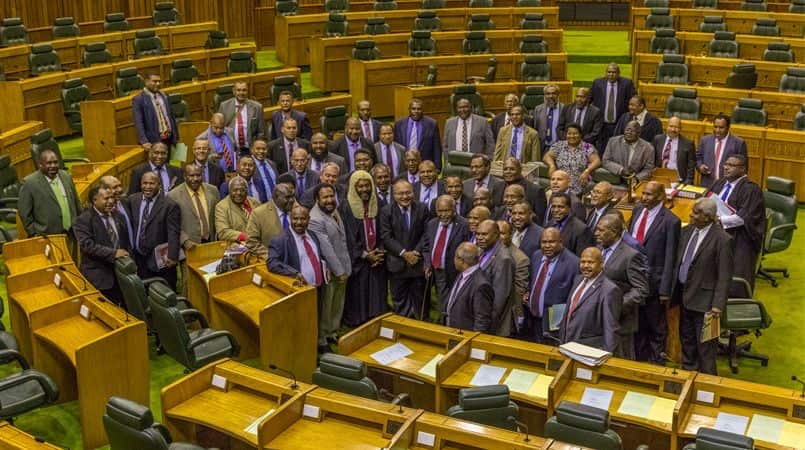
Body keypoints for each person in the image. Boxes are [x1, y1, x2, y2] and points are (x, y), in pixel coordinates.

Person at [675, 197, 732, 374]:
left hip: (707, 305)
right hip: (684, 298)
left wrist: (717, 306)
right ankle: (687, 376)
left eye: (696, 212)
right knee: (687, 342)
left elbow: (724, 275)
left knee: (706, 350)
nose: (691, 215)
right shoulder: (687, 231)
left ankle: (707, 388)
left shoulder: (722, 240)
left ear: (707, 217)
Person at [628, 181, 680, 364]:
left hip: (655, 283)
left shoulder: (671, 221)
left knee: (655, 327)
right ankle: (638, 361)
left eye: (649, 195)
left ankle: (656, 364)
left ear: (660, 197)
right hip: (633, 279)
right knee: (637, 325)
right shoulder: (636, 211)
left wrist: (665, 290)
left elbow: (670, 257)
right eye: (643, 193)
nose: (644, 198)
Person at [595, 213, 649, 360]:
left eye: (601, 230)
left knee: (620, 363)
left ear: (613, 232)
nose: (596, 233)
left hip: (621, 322)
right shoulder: (597, 250)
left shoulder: (631, 255)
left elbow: (641, 290)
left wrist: (617, 305)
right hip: (596, 319)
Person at [708, 155, 765, 289]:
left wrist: (719, 220)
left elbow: (743, 218)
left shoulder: (751, 189)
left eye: (732, 165)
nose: (726, 167)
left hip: (741, 235)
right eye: (726, 164)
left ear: (742, 169)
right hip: (718, 231)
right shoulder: (719, 183)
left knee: (735, 276)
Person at [341, 171, 388, 327]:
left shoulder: (379, 204)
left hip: (377, 258)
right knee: (358, 292)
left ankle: (375, 319)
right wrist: (364, 254)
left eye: (367, 185)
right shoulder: (346, 206)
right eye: (360, 186)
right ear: (354, 187)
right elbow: (347, 236)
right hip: (358, 259)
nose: (364, 189)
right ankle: (358, 322)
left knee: (376, 290)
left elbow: (385, 229)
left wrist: (379, 251)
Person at [309, 183, 351, 351]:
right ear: (317, 199)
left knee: (338, 303)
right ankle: (322, 339)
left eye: (331, 196)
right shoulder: (315, 218)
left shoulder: (333, 210)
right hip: (329, 270)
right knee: (327, 305)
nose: (329, 200)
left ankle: (333, 331)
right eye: (325, 197)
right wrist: (339, 271)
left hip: (342, 266)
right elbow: (326, 249)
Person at [380, 179, 428, 318]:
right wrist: (404, 254)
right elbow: (386, 236)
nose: (405, 197)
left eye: (408, 193)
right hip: (397, 264)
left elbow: (426, 233)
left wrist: (416, 252)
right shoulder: (386, 211)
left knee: (420, 301)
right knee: (399, 301)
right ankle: (402, 327)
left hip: (417, 263)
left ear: (413, 193)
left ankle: (420, 328)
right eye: (400, 194)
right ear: (394, 195)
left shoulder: (422, 208)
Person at [74, 186, 130, 305]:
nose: (111, 201)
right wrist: (114, 253)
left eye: (112, 197)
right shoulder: (84, 220)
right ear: (95, 200)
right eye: (106, 198)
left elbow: (125, 243)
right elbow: (88, 246)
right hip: (99, 278)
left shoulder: (119, 216)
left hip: (121, 275)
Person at [169, 165, 220, 292]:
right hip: (190, 247)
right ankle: (191, 309)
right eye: (191, 176)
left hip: (211, 244)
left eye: (198, 175)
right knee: (191, 285)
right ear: (185, 176)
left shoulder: (213, 190)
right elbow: (172, 224)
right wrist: (184, 240)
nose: (195, 179)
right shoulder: (173, 195)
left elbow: (217, 215)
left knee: (212, 280)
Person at [560, 247, 621, 353]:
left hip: (589, 350)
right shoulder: (577, 280)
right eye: (583, 262)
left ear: (601, 264)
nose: (586, 266)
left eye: (590, 262)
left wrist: (606, 355)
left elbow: (610, 328)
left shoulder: (609, 290)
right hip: (567, 345)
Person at [128, 171, 181, 290]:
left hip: (160, 260)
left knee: (163, 292)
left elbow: (174, 232)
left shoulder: (170, 205)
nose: (147, 187)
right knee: (142, 291)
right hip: (138, 257)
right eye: (144, 183)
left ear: (159, 185)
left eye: (152, 183)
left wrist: (172, 256)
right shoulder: (133, 200)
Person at [424, 195, 471, 318]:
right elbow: (427, 246)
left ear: (454, 209)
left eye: (447, 211)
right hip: (435, 270)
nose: (443, 214)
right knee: (440, 300)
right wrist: (428, 264)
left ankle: (447, 323)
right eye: (440, 211)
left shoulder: (464, 225)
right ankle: (441, 321)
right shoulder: (432, 224)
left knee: (452, 302)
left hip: (454, 272)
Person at [19, 150, 82, 240]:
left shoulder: (65, 176)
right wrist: (34, 233)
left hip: (72, 233)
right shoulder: (29, 183)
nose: (53, 166)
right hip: (48, 236)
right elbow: (24, 213)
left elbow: (76, 203)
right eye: (49, 163)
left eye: (55, 162)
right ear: (40, 165)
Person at [476, 220, 517, 336]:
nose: (479, 238)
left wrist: (484, 323)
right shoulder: (481, 251)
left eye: (484, 234)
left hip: (493, 324)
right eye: (478, 234)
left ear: (496, 235)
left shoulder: (504, 259)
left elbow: (500, 298)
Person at [444, 242, 494, 332]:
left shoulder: (481, 285)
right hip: (452, 331)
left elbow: (482, 321)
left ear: (461, 261)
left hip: (465, 338)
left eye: (455, 256)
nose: (453, 260)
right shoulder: (462, 273)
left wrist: (474, 343)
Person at [590, 63, 636, 152]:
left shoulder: (627, 84)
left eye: (614, 72)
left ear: (618, 73)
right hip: (602, 123)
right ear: (606, 73)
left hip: (619, 123)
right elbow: (589, 99)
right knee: (601, 148)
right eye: (609, 72)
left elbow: (634, 99)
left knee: (617, 148)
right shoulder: (597, 83)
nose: (611, 74)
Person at [544, 123, 601, 195]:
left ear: (580, 135)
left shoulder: (586, 147)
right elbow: (547, 156)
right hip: (560, 188)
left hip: (579, 188)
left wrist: (587, 171)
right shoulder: (559, 145)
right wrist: (552, 165)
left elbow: (597, 161)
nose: (572, 136)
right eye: (569, 133)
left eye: (575, 133)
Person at [696, 113, 748, 188]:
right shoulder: (705, 140)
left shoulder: (738, 143)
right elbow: (698, 157)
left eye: (721, 127)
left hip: (729, 186)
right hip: (707, 185)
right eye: (715, 127)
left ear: (728, 127)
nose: (717, 130)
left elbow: (743, 168)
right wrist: (700, 166)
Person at [246, 183, 295, 259]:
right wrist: (271, 257)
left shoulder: (296, 210)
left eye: (293, 196)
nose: (292, 200)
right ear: (276, 198)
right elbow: (252, 242)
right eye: (287, 197)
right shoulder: (259, 214)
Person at [132, 71, 177, 150]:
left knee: (174, 162)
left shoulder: (164, 95)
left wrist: (176, 136)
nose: (158, 84)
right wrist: (144, 141)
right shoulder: (139, 99)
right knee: (158, 161)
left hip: (170, 139)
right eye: (155, 81)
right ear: (146, 82)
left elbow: (171, 116)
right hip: (154, 141)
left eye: (159, 81)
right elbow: (139, 122)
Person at [394, 98, 442, 171]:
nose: (416, 111)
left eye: (419, 109)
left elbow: (436, 148)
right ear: (409, 110)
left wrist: (438, 167)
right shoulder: (399, 124)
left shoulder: (432, 124)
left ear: (422, 110)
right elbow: (396, 146)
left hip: (424, 165)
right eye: (413, 109)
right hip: (405, 165)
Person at [497, 220, 530, 328]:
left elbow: (518, 292)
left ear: (511, 235)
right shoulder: (484, 252)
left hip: (505, 313)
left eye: (502, 233)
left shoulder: (520, 259)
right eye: (495, 233)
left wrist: (518, 316)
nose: (498, 237)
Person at [218, 81, 265, 153]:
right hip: (231, 148)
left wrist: (256, 148)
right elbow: (218, 128)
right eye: (238, 90)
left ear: (247, 91)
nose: (241, 93)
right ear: (234, 91)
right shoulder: (224, 106)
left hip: (250, 149)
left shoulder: (257, 107)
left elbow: (261, 132)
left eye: (244, 90)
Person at [501, 157, 547, 223]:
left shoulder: (536, 191)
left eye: (512, 169)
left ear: (520, 170)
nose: (508, 172)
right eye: (505, 169)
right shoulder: (498, 186)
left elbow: (540, 220)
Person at [215, 176, 259, 243]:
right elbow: (223, 232)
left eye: (242, 190)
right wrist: (246, 236)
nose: (239, 193)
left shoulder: (256, 203)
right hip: (236, 246)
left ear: (247, 191)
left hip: (258, 243)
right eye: (235, 190)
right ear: (229, 191)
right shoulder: (221, 207)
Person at [652, 116, 695, 184]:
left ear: (680, 129)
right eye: (671, 126)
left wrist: (687, 183)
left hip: (678, 181)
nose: (673, 129)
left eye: (676, 127)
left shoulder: (688, 144)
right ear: (666, 126)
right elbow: (652, 160)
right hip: (659, 179)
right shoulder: (657, 139)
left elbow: (691, 166)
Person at [99, 175, 134, 245]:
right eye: (115, 187)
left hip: (132, 251)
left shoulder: (126, 202)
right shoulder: (100, 210)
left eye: (120, 185)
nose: (120, 189)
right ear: (105, 190)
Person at [533, 84, 565, 151]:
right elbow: (535, 129)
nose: (551, 96)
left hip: (560, 147)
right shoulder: (538, 109)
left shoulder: (565, 109)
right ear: (544, 95)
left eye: (554, 93)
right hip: (542, 147)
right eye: (548, 94)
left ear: (558, 95)